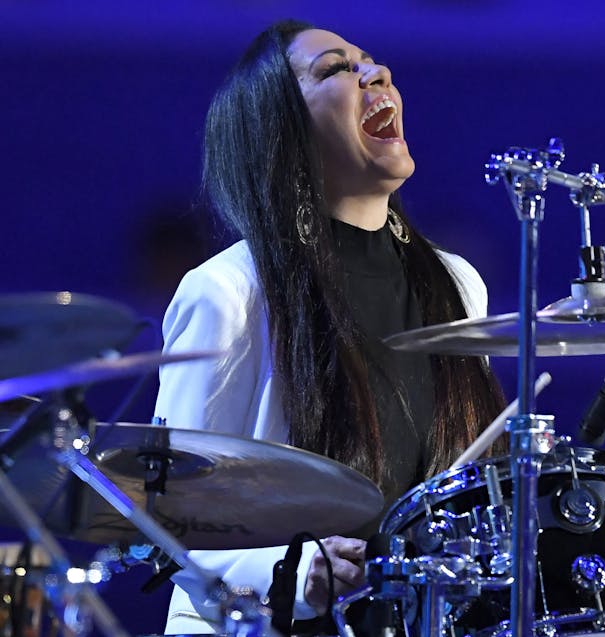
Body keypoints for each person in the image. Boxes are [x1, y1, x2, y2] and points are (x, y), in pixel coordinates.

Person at [154, 19, 506, 635]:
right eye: (336, 69)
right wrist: (284, 573)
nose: (378, 74)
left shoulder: (456, 283)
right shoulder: (229, 290)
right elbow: (168, 516)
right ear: (280, 127)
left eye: (373, 61)